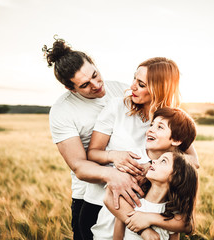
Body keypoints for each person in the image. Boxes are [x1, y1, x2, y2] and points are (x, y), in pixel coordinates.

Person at [86, 58, 200, 239]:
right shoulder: (117, 106)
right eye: (134, 79)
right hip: (108, 205)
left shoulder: (173, 119)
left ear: (159, 89)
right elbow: (92, 153)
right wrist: (114, 156)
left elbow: (193, 161)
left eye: (141, 84)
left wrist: (151, 165)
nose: (132, 86)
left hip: (151, 205)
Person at [43, 36, 143, 240]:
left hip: (137, 192)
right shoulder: (62, 111)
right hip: (90, 199)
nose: (96, 85)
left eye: (95, 75)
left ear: (95, 64)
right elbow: (79, 165)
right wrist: (113, 173)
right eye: (85, 85)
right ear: (70, 89)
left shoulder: (121, 89)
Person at [105, 107, 198, 239]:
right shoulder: (132, 158)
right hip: (105, 231)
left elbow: (186, 225)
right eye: (152, 125)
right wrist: (144, 231)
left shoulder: (170, 208)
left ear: (176, 140)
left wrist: (149, 219)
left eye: (160, 127)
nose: (150, 129)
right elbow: (109, 197)